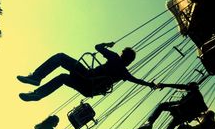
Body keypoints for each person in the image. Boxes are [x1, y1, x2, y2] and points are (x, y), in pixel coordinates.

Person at [17, 42, 156, 101]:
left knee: (60, 57)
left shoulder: (114, 58)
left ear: (122, 55)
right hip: (89, 90)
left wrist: (107, 45)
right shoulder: (124, 73)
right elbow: (137, 81)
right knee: (63, 78)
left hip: (86, 77)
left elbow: (97, 47)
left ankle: (36, 78)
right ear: (130, 61)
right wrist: (151, 85)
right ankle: (37, 94)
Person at [143, 82, 208, 129]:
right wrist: (165, 85)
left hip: (182, 112)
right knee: (170, 126)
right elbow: (178, 86)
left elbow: (204, 108)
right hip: (181, 111)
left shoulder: (197, 95)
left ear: (194, 87)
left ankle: (151, 125)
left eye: (189, 87)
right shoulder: (192, 92)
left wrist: (193, 112)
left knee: (163, 107)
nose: (187, 89)